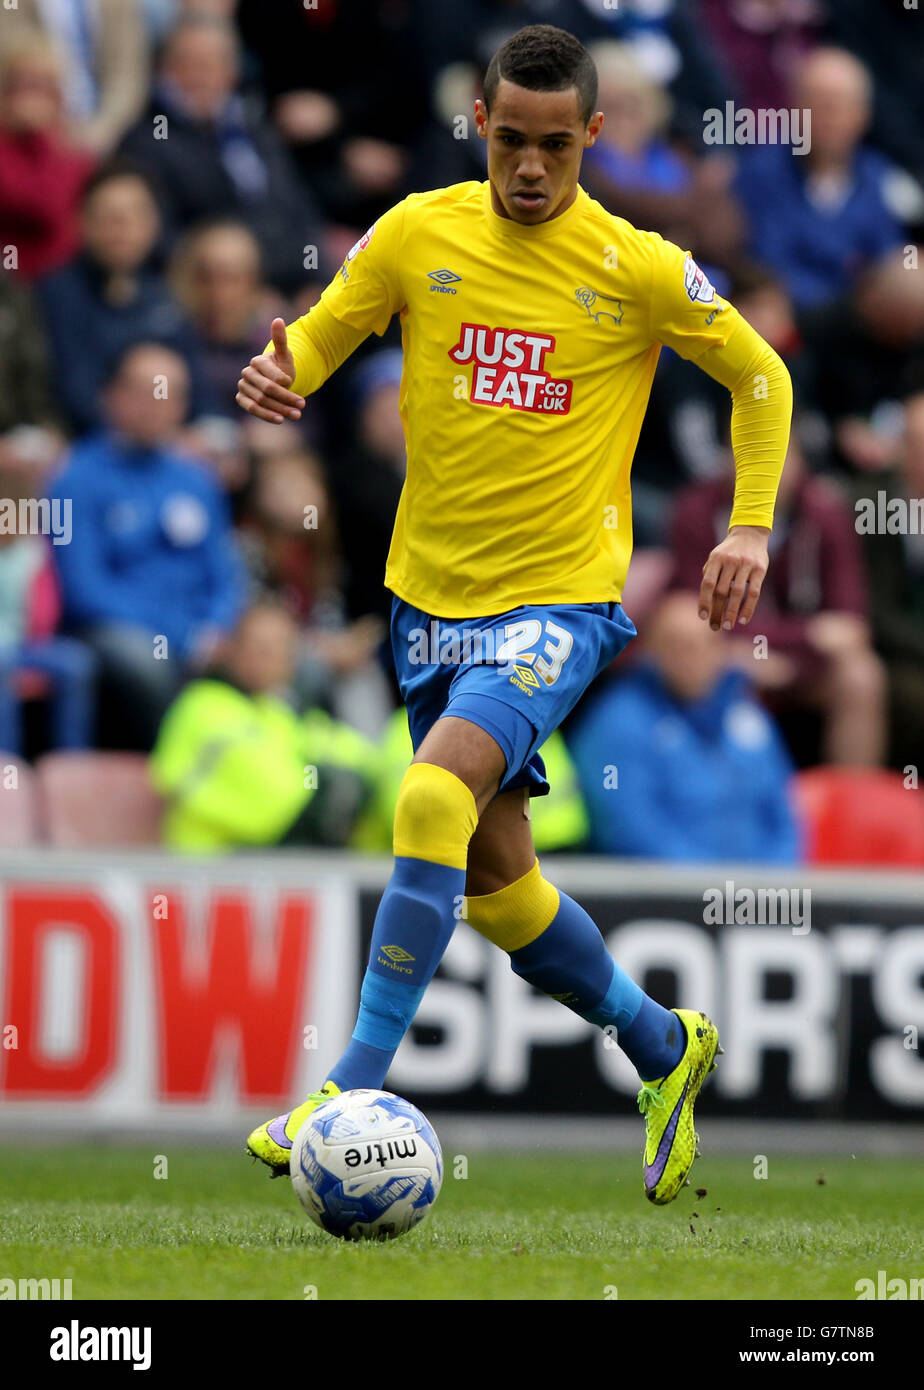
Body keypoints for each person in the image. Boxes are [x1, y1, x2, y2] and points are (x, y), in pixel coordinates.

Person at [235, 26, 792, 1206]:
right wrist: (285, 371)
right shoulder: (417, 233)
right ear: (478, 122)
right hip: (425, 601)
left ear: (590, 137)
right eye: (511, 141)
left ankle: (346, 1084)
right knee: (496, 887)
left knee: (431, 793)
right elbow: (328, 334)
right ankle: (662, 1045)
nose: (530, 168)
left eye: (556, 146)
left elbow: (760, 375)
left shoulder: (635, 264)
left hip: (557, 602)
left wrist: (748, 523)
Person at [48, 343, 244, 750]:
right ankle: (184, 769)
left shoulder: (198, 479)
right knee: (145, 661)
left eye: (172, 393)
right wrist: (180, 634)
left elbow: (226, 574)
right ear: (110, 396)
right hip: (116, 630)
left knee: (289, 658)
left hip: (201, 631)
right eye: (145, 390)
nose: (159, 403)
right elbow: (82, 590)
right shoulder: (71, 481)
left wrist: (217, 626)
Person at [568, 590, 802, 864]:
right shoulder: (616, 725)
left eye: (704, 644)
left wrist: (769, 885)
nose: (692, 658)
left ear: (722, 650)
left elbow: (785, 819)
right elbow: (628, 828)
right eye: (676, 645)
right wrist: (709, 890)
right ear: (650, 651)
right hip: (667, 899)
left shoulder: (750, 718)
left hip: (753, 898)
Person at [150, 601, 376, 853]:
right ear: (232, 648)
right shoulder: (200, 705)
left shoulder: (286, 714)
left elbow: (366, 762)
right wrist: (331, 785)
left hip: (271, 877)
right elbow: (277, 801)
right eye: (257, 645)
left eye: (279, 648)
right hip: (205, 878)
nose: (267, 656)